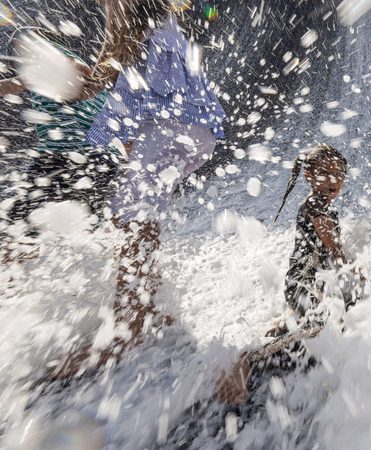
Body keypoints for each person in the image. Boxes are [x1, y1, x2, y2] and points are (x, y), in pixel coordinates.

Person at [52, 0, 225, 377]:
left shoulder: (123, 4)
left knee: (134, 216)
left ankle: (127, 329)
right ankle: (144, 307)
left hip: (170, 127)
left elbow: (106, 69)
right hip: (193, 127)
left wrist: (63, 83)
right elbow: (123, 67)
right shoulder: (159, 15)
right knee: (137, 214)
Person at [217, 144, 354, 404]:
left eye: (339, 174)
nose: (333, 180)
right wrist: (354, 270)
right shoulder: (316, 205)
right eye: (324, 172)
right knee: (313, 324)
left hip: (308, 279)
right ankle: (248, 359)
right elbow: (334, 248)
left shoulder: (322, 204)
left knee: (312, 317)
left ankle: (284, 320)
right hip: (304, 281)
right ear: (309, 176)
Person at [0, 28, 117, 261]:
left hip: (66, 158)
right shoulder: (50, 68)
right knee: (96, 231)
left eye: (23, 43)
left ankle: (11, 283)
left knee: (14, 229)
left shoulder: (53, 61)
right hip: (100, 160)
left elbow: (16, 84)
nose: (18, 49)